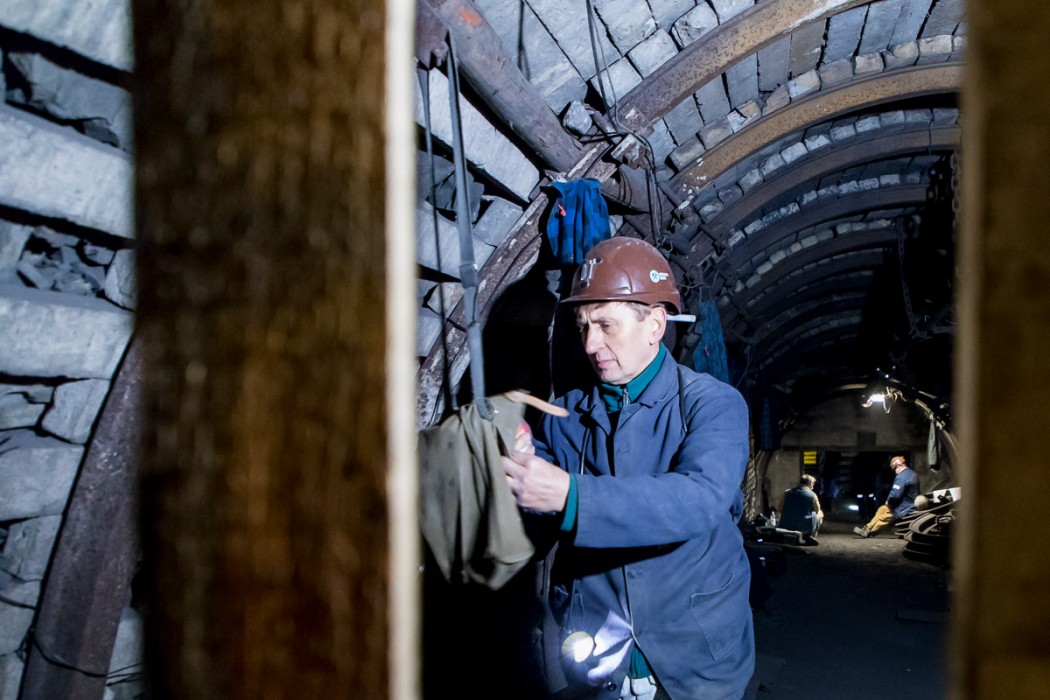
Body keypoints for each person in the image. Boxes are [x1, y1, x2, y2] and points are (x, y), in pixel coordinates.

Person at [502, 237, 754, 700]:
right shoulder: (564, 415)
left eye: (605, 325)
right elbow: (537, 524)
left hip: (694, 657)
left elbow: (699, 499)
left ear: (654, 324)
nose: (590, 343)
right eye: (583, 326)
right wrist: (520, 471)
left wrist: (571, 496)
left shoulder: (713, 404)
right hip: (597, 658)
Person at [853, 455, 919, 538]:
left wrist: (889, 502)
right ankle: (867, 527)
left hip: (905, 507)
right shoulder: (911, 473)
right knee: (882, 509)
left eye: (894, 469)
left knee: (886, 515)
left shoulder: (902, 477)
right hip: (907, 504)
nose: (895, 471)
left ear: (898, 466)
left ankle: (870, 532)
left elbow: (895, 495)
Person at [779, 474, 823, 544]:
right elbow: (817, 510)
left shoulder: (787, 492)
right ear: (809, 483)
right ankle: (810, 535)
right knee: (820, 513)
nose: (813, 486)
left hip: (785, 525)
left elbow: (779, 509)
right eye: (813, 484)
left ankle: (790, 534)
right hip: (803, 526)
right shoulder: (812, 495)